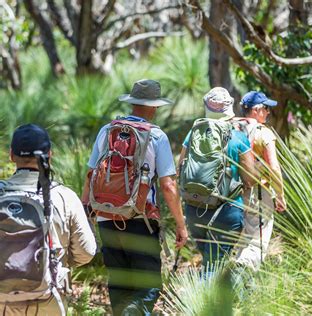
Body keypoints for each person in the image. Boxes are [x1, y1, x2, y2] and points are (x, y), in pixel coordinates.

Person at [81, 79, 188, 315]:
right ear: (153, 107)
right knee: (149, 286)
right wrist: (181, 225)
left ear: (133, 103)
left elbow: (90, 174)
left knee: (119, 283)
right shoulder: (156, 136)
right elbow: (168, 185)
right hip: (140, 219)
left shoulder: (107, 131)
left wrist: (86, 213)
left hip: (106, 217)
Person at [0, 124, 96, 315]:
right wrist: (54, 262)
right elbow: (87, 251)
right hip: (49, 298)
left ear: (12, 155)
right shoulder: (64, 196)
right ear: (49, 155)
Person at [178, 87, 255, 275]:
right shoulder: (238, 138)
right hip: (227, 211)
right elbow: (251, 179)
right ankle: (210, 303)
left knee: (209, 262)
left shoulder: (193, 134)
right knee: (216, 266)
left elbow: (180, 167)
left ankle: (210, 299)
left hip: (195, 206)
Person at [234, 91, 286, 271]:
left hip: (234, 192)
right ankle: (240, 277)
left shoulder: (233, 129)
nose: (268, 112)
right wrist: (279, 194)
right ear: (256, 110)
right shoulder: (263, 133)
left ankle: (240, 288)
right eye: (265, 108)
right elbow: (273, 167)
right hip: (258, 193)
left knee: (244, 239)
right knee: (258, 241)